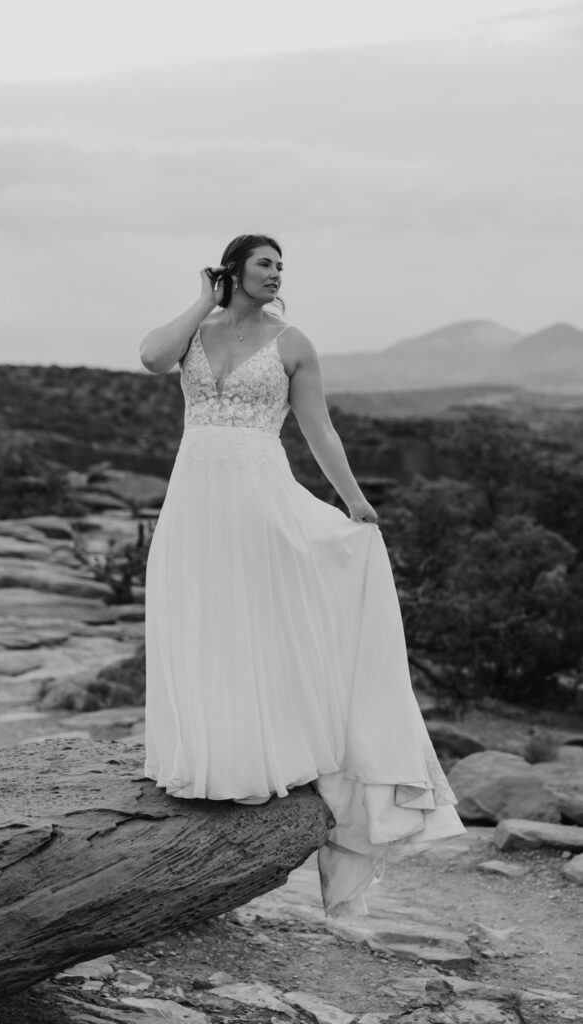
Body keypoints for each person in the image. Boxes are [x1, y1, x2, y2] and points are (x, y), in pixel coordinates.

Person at [139, 234, 465, 917]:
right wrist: (204, 297)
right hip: (194, 495)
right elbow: (149, 358)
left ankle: (257, 762)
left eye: (281, 265)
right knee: (199, 617)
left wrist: (353, 499)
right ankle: (202, 759)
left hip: (259, 494)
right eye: (264, 262)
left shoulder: (293, 344)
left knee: (251, 617)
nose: (276, 272)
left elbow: (319, 430)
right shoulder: (196, 331)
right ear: (234, 270)